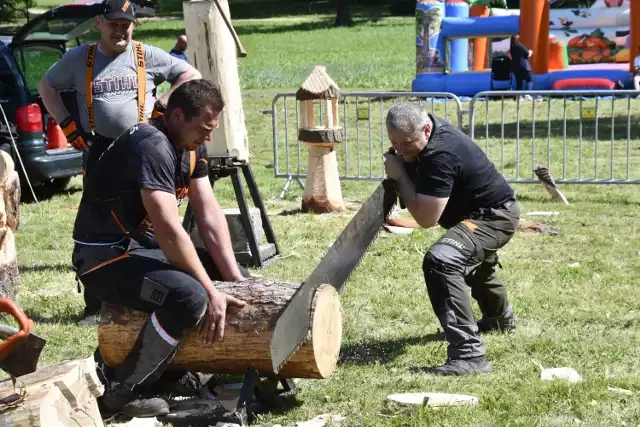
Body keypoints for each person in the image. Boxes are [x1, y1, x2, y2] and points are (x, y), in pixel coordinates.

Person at [71, 79, 249, 418]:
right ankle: (118, 392)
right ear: (178, 116)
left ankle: (178, 372)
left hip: (138, 250)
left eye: (212, 129)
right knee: (190, 296)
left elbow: (208, 214)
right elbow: (168, 229)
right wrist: (211, 291)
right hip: (103, 258)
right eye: (203, 128)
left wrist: (233, 278)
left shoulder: (191, 144)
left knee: (227, 277)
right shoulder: (152, 145)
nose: (208, 136)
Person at [38, 0, 201, 324]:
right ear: (99, 22)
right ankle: (95, 305)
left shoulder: (146, 55)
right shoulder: (79, 58)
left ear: (133, 25)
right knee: (98, 225)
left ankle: (147, 287)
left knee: (145, 222)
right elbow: (47, 85)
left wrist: (166, 102)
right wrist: (67, 123)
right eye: (113, 24)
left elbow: (189, 73)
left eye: (126, 25)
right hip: (100, 150)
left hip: (142, 149)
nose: (120, 31)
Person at [383, 102, 520, 376]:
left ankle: (469, 355)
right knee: (475, 265)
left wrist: (399, 175)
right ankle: (498, 319)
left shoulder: (441, 153)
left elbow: (425, 218)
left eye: (406, 144)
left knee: (443, 261)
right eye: (394, 145)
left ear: (426, 128)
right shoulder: (423, 137)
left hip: (494, 217)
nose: (400, 151)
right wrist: (404, 162)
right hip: (476, 213)